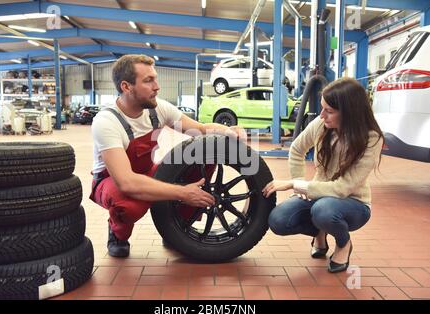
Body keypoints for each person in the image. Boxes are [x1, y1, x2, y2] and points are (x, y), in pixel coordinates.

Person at [90, 54, 246, 258]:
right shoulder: (106, 122)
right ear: (126, 87)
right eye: (148, 81)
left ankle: (177, 229)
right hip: (113, 181)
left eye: (155, 78)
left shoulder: (158, 108)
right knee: (128, 206)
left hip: (147, 171)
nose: (157, 86)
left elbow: (200, 130)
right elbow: (126, 182)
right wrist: (182, 193)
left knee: (205, 152)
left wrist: (231, 131)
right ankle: (118, 234)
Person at [262, 77, 384, 273]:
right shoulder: (321, 125)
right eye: (322, 108)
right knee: (278, 220)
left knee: (324, 210)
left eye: (329, 111)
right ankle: (320, 231)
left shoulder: (371, 138)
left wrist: (294, 184)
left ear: (349, 113)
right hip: (319, 196)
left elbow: (342, 188)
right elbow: (296, 149)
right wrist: (300, 181)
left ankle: (344, 244)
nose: (322, 115)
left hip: (354, 204)